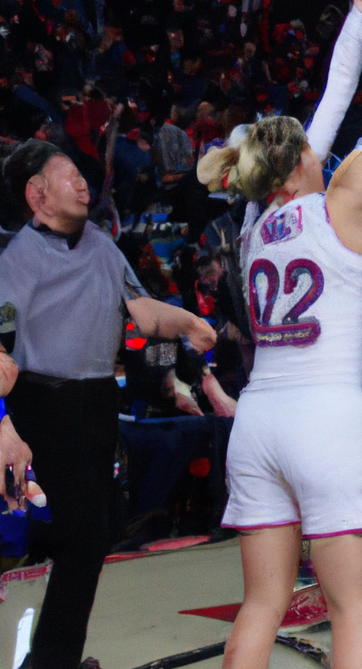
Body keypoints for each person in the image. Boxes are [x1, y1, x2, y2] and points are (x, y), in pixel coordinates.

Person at [197, 0, 362, 669]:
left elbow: (328, 108)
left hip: (259, 418)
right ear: (302, 159)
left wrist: (359, 15)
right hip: (327, 417)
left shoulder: (249, 225)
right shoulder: (341, 202)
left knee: (261, 605)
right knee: (353, 612)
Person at [0, 139, 217, 669]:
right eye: (68, 175)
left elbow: (141, 311)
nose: (83, 184)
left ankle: (54, 659)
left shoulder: (99, 243)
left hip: (95, 405)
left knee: (90, 538)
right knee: (31, 534)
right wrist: (5, 425)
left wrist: (185, 322)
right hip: (38, 406)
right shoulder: (16, 259)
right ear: (37, 194)